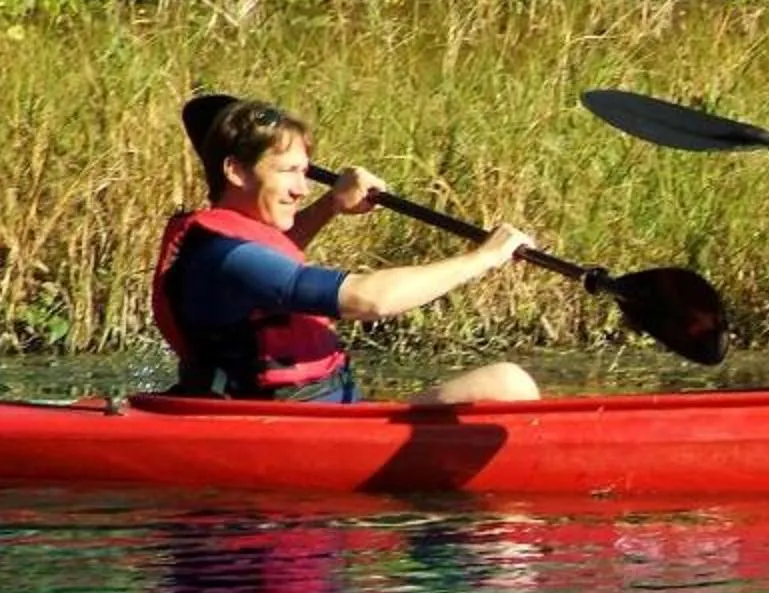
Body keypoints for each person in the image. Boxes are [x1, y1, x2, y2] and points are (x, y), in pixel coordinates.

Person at [154, 95, 543, 404]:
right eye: (287, 171)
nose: (302, 189)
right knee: (509, 382)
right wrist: (484, 257)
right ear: (236, 171)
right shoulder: (226, 256)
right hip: (288, 430)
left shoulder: (229, 249)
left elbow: (270, 258)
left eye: (305, 173)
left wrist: (332, 204)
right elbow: (368, 299)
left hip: (326, 418)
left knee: (503, 384)